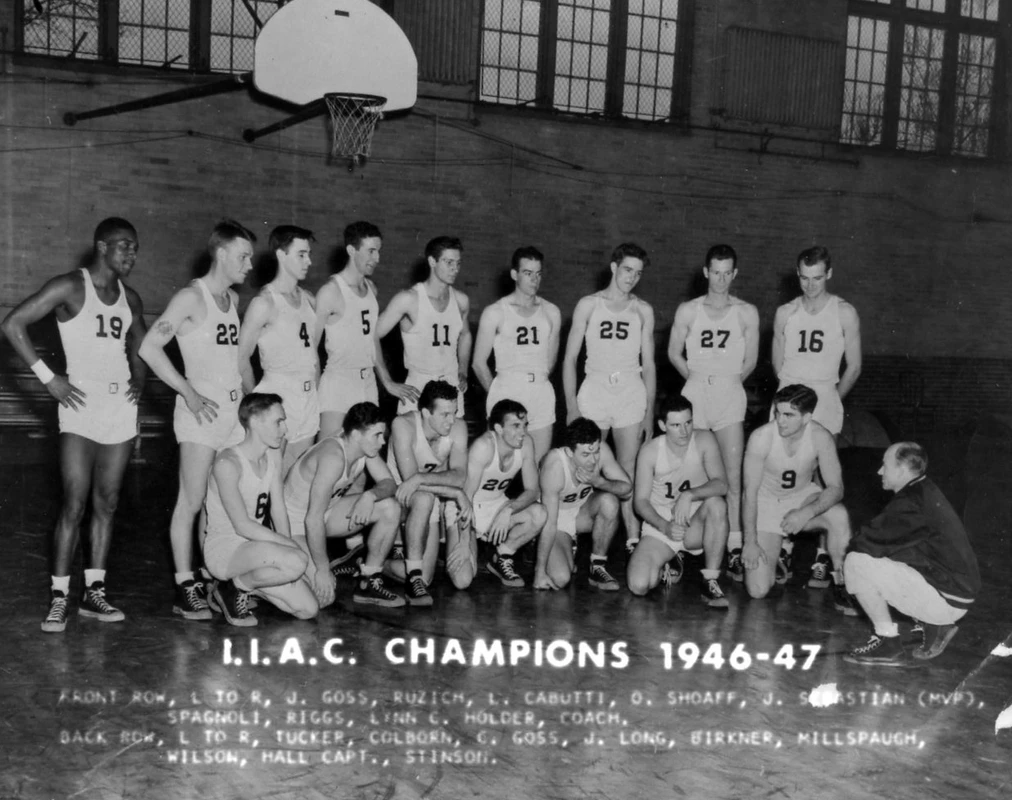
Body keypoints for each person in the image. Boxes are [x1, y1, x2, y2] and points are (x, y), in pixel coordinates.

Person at [2, 218, 147, 632]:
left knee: (109, 503)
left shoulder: (130, 298)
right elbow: (12, 324)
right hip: (79, 406)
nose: (131, 255)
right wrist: (49, 378)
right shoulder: (70, 286)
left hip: (118, 408)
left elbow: (142, 343)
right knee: (74, 502)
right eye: (124, 246)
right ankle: (59, 597)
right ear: (101, 247)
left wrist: (139, 379)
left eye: (135, 248)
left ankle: (94, 595)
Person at [139, 219, 254, 621]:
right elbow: (149, 347)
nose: (249, 265)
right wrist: (187, 391)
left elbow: (233, 362)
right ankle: (184, 585)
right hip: (199, 413)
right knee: (191, 499)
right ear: (221, 254)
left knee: (222, 499)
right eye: (243, 256)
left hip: (232, 413)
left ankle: (212, 577)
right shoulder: (192, 297)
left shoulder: (234, 301)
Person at [772, 245, 861, 588]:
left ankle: (823, 557)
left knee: (825, 478)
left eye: (817, 278)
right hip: (791, 395)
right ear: (798, 275)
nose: (810, 285)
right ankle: (785, 547)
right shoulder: (786, 313)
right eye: (805, 278)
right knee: (784, 472)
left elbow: (853, 366)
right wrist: (791, 400)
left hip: (825, 395)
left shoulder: (844, 313)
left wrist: (830, 401)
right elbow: (777, 363)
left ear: (829, 274)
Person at [843, 442, 980, 666]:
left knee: (855, 562)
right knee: (880, 558)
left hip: (946, 599)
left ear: (902, 469)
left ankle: (887, 642)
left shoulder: (911, 501)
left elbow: (865, 543)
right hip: (954, 591)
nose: (879, 471)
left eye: (884, 465)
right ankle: (935, 623)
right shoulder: (924, 489)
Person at [667, 244, 758, 567]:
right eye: (715, 273)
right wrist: (695, 378)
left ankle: (733, 546)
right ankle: (679, 543)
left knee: (731, 477)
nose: (720, 280)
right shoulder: (688, 310)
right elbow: (673, 352)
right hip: (696, 393)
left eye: (727, 273)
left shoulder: (746, 312)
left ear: (734, 274)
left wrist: (727, 381)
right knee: (689, 470)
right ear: (706, 272)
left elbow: (751, 360)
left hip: (729, 395)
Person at [562, 243, 656, 554]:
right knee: (585, 460)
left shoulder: (642, 309)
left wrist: (648, 412)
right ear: (614, 267)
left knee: (627, 468)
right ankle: (571, 529)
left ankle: (632, 540)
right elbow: (570, 357)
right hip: (595, 389)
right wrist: (572, 406)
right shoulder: (589, 305)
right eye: (628, 269)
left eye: (639, 273)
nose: (632, 277)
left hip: (629, 391)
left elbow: (650, 365)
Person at [203, 393, 318, 626]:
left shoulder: (272, 456)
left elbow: (278, 511)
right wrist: (291, 551)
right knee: (295, 562)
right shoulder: (228, 463)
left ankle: (247, 585)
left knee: (308, 609)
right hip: (226, 549)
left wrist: (289, 546)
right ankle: (232, 588)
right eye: (279, 421)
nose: (284, 429)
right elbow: (242, 525)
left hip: (254, 547)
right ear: (255, 421)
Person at [740, 384, 853, 610]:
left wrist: (807, 512)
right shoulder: (761, 437)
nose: (780, 420)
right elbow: (749, 495)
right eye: (778, 413)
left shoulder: (821, 436)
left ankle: (842, 583)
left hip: (802, 498)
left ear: (807, 417)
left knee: (839, 515)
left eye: (789, 415)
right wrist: (750, 541)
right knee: (758, 590)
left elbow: (836, 488)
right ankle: (777, 552)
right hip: (766, 504)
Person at [284, 402, 403, 608]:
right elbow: (312, 519)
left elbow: (389, 483)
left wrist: (370, 495)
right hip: (293, 525)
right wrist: (322, 570)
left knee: (390, 508)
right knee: (323, 599)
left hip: (325, 515)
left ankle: (369, 580)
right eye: (377, 435)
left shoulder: (363, 448)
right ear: (356, 435)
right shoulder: (333, 457)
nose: (382, 442)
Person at [628, 395, 730, 608]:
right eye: (676, 425)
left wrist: (690, 494)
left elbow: (722, 484)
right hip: (663, 521)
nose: (684, 431)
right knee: (639, 585)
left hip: (695, 521)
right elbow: (640, 502)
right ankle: (671, 557)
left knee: (717, 504)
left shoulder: (704, 440)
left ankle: (710, 580)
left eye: (688, 423)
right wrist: (665, 526)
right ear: (662, 425)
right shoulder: (650, 451)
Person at [315, 221, 413, 439]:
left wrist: (386, 381)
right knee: (331, 456)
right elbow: (310, 348)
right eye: (371, 251)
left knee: (364, 458)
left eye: (378, 251)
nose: (377, 258)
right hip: (338, 382)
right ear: (351, 250)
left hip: (367, 382)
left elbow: (371, 340)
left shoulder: (371, 289)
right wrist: (312, 392)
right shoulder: (330, 291)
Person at [237, 225, 318, 473]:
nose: (309, 261)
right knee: (272, 481)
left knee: (299, 480)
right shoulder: (264, 303)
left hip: (307, 398)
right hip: (278, 393)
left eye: (309, 254)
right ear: (282, 255)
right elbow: (240, 358)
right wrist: (258, 403)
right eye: (301, 254)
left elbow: (313, 353)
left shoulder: (309, 299)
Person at [472, 247, 561, 462]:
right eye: (528, 273)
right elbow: (478, 363)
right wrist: (500, 398)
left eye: (538, 274)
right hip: (507, 389)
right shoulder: (495, 311)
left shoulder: (551, 312)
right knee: (501, 464)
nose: (534, 280)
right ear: (514, 274)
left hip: (540, 391)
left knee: (539, 465)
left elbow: (550, 361)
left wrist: (536, 384)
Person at [386, 379, 471, 605]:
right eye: (444, 414)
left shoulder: (458, 427)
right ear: (425, 412)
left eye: (454, 412)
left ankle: (371, 563)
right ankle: (391, 566)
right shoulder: (403, 425)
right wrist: (454, 492)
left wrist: (422, 478)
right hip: (397, 497)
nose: (452, 420)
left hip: (428, 495)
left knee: (427, 578)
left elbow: (460, 475)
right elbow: (409, 481)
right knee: (423, 497)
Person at [376, 236, 472, 416]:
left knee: (451, 443)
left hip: (451, 384)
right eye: (449, 262)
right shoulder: (408, 299)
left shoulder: (461, 300)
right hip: (418, 386)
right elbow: (371, 335)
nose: (455, 268)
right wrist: (387, 382)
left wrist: (463, 370)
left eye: (458, 263)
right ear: (432, 261)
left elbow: (465, 334)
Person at [534, 417, 632, 592]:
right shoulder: (555, 465)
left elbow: (627, 489)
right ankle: (563, 546)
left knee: (609, 501)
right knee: (561, 578)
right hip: (556, 520)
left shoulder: (601, 451)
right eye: (585, 455)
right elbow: (549, 522)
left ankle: (597, 567)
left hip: (582, 513)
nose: (593, 460)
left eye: (595, 452)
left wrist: (600, 482)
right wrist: (539, 572)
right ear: (570, 452)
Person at [461, 399, 548, 588]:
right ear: (499, 429)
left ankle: (501, 557)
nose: (523, 432)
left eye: (525, 425)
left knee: (539, 513)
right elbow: (465, 496)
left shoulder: (526, 444)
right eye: (516, 426)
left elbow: (533, 490)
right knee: (464, 579)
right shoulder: (483, 447)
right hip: (469, 509)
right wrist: (463, 539)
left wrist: (508, 509)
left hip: (497, 504)